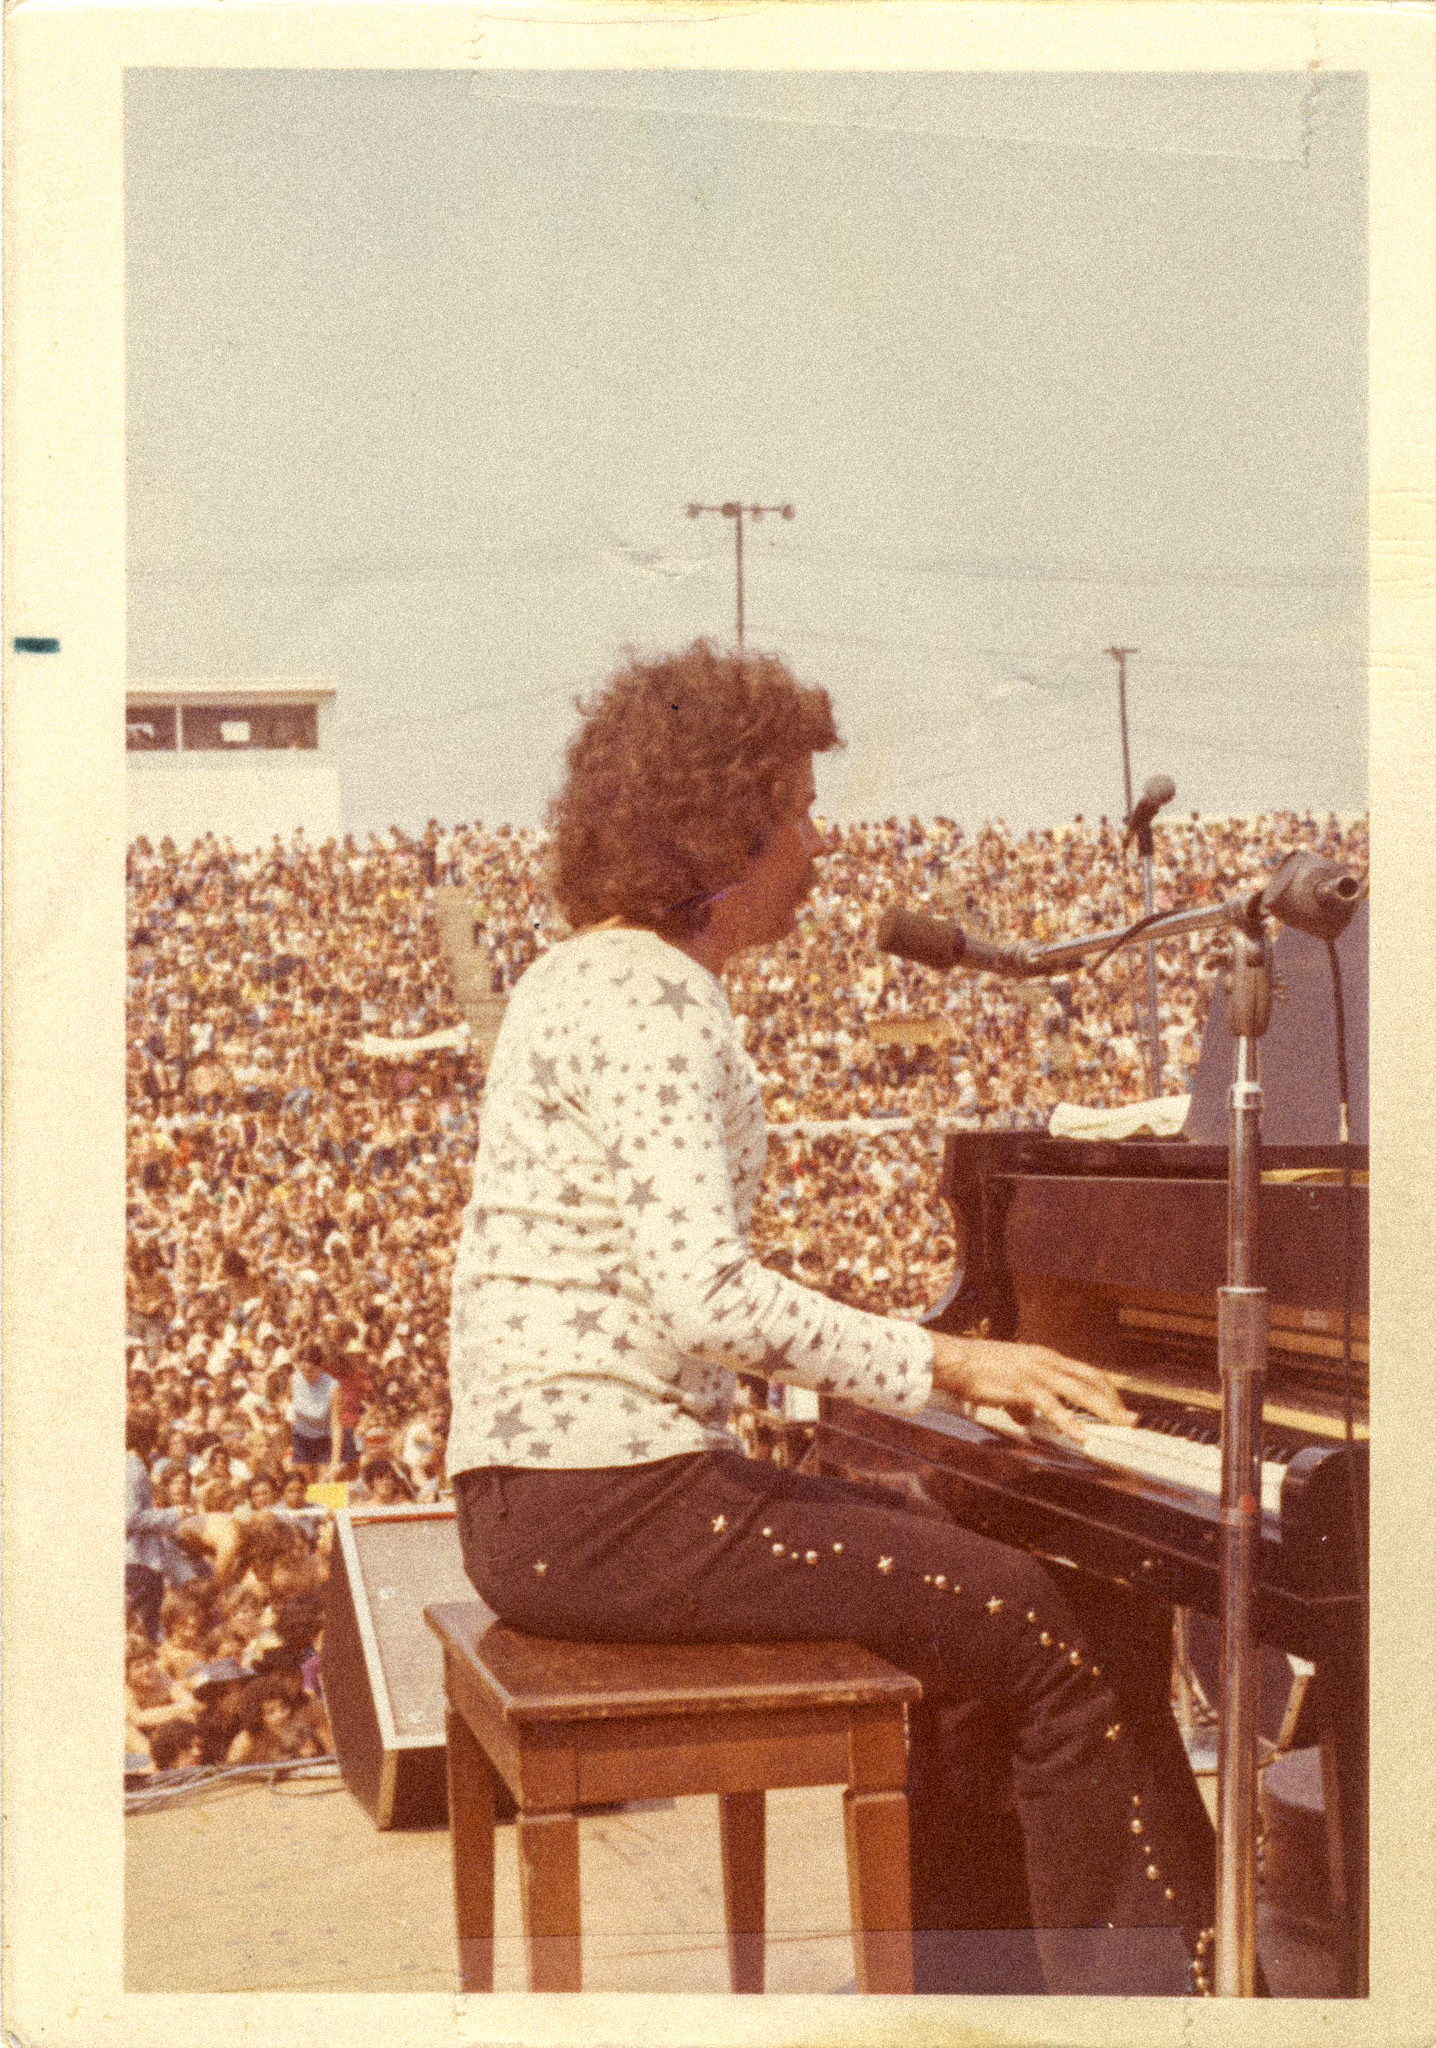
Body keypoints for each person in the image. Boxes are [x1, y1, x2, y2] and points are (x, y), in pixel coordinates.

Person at [445, 642, 1218, 1996]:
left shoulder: (580, 976)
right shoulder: (655, 1001)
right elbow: (704, 1294)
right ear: (723, 826)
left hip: (560, 1503)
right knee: (1044, 1623)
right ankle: (1166, 2007)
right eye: (799, 810)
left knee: (983, 1598)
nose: (820, 839)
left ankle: (986, 1999)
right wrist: (950, 1358)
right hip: (609, 1510)